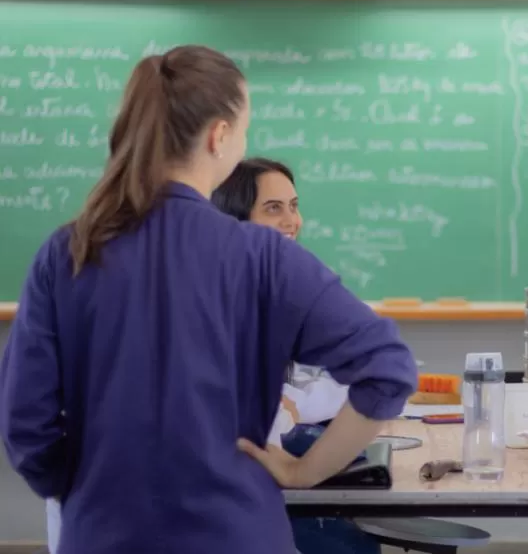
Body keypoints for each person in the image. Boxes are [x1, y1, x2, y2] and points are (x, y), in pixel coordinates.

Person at [0, 45, 418, 554]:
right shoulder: (264, 256)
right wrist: (305, 471)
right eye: (244, 129)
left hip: (103, 533)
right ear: (220, 136)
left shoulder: (68, 252)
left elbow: (26, 425)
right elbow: (387, 370)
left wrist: (84, 487)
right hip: (238, 534)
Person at [211, 157, 377, 554]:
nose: (292, 220)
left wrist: (292, 407)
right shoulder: (217, 298)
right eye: (273, 208)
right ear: (236, 220)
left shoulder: (275, 288)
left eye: (294, 205)